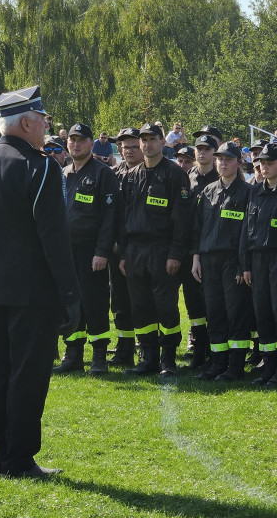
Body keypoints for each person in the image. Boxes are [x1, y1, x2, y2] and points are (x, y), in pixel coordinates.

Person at [0, 85, 80, 479]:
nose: (46, 127)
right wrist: (70, 294)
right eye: (42, 119)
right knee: (26, 379)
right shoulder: (41, 167)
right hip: (32, 296)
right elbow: (53, 238)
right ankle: (20, 459)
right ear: (26, 122)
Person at [119, 122, 192, 377]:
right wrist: (124, 254)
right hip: (135, 250)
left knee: (165, 306)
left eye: (153, 139)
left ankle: (168, 360)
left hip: (163, 250)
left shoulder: (174, 174)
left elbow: (182, 219)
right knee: (140, 306)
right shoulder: (131, 175)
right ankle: (147, 358)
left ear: (163, 142)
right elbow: (123, 216)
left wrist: (175, 254)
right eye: (144, 140)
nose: (147, 144)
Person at [54, 123, 119, 375]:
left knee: (95, 303)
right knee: (71, 303)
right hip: (66, 252)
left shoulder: (103, 174)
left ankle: (99, 356)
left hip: (92, 253)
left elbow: (109, 216)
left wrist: (102, 251)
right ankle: (73, 354)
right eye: (72, 140)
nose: (76, 144)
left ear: (92, 144)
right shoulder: (63, 173)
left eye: (81, 140)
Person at [192, 141, 252, 381]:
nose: (223, 163)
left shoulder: (248, 192)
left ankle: (236, 366)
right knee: (214, 313)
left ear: (238, 162)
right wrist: (196, 257)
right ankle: (218, 363)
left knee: (236, 313)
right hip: (208, 261)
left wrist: (241, 264)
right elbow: (197, 227)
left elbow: (248, 233)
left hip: (232, 262)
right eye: (220, 159)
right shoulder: (209, 191)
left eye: (228, 159)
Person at [241, 143, 277, 385]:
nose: (264, 167)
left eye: (269, 162)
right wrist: (246, 265)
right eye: (261, 163)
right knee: (262, 312)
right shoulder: (255, 191)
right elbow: (246, 231)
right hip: (258, 259)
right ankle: (268, 366)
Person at [182, 127, 222, 368]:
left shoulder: (222, 178)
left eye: (207, 149)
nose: (202, 153)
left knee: (213, 301)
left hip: (213, 249)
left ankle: (215, 349)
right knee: (193, 303)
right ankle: (198, 349)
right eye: (199, 149)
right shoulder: (186, 177)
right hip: (190, 249)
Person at [107, 128, 142, 366]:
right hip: (116, 247)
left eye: (132, 147)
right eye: (123, 147)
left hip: (141, 248)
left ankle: (147, 346)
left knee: (141, 300)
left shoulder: (149, 174)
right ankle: (124, 347)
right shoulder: (112, 174)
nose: (127, 151)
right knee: (118, 300)